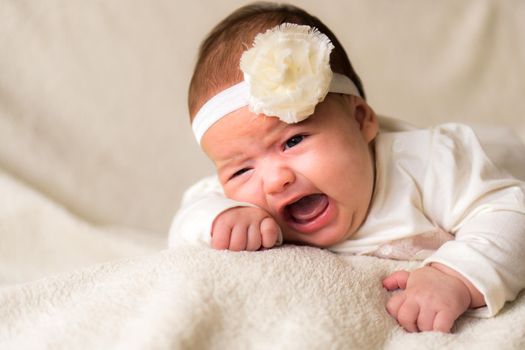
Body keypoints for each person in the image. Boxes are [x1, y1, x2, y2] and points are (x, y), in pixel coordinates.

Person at [169, 2, 525, 333]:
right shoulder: (240, 202)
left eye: (293, 141)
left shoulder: (431, 162)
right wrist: (221, 219)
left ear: (360, 121)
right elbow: (187, 222)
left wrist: (455, 277)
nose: (275, 180)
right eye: (240, 171)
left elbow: (512, 213)